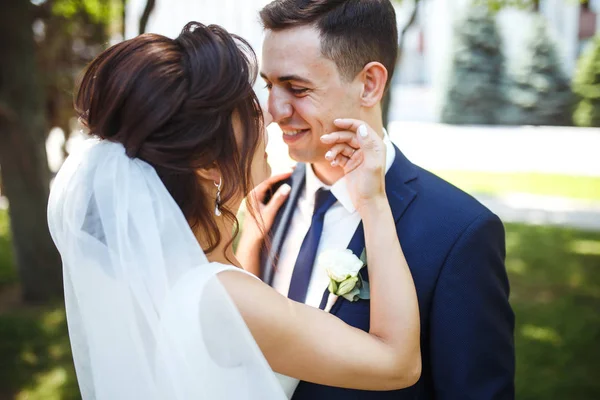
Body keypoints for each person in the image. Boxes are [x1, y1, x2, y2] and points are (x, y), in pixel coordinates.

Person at [47, 22, 421, 399]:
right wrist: (372, 201)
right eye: (247, 108)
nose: (270, 115)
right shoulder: (223, 298)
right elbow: (397, 364)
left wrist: (246, 247)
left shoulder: (152, 275)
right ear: (208, 164)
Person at [254, 0, 516, 399]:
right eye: (269, 85)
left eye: (297, 88)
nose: (274, 110)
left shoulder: (458, 233)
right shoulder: (265, 204)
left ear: (370, 83)